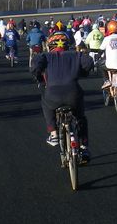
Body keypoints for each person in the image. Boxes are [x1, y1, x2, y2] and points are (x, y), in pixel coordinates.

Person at [31, 35, 94, 163]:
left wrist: (38, 77)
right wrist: (82, 72)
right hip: (73, 94)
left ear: (50, 46)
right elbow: (89, 63)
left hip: (53, 95)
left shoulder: (45, 56)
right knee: (81, 117)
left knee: (45, 101)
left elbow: (35, 66)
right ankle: (84, 146)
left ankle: (53, 133)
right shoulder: (76, 54)